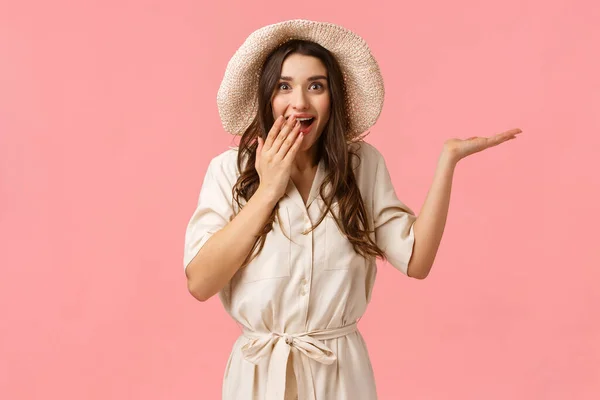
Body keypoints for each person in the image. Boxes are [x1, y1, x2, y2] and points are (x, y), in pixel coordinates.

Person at [183, 19, 522, 400]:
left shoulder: (361, 165)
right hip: (257, 381)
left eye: (316, 86)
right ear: (267, 96)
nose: (300, 102)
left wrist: (449, 160)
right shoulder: (229, 170)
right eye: (284, 86)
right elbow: (200, 282)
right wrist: (268, 190)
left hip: (341, 377)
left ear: (332, 97)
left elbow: (417, 260)